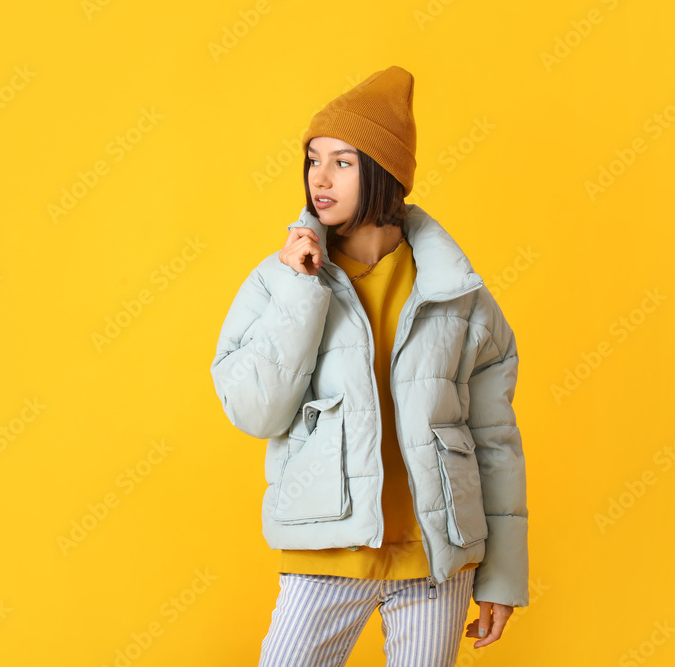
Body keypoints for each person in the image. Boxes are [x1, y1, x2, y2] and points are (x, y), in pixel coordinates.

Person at [211, 65, 529, 666]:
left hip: (437, 562)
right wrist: (302, 293)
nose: (319, 179)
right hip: (327, 552)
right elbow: (255, 411)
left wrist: (503, 577)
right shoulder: (277, 281)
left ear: (384, 172)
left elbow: (495, 440)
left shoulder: (459, 294)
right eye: (312, 160)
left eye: (342, 162)